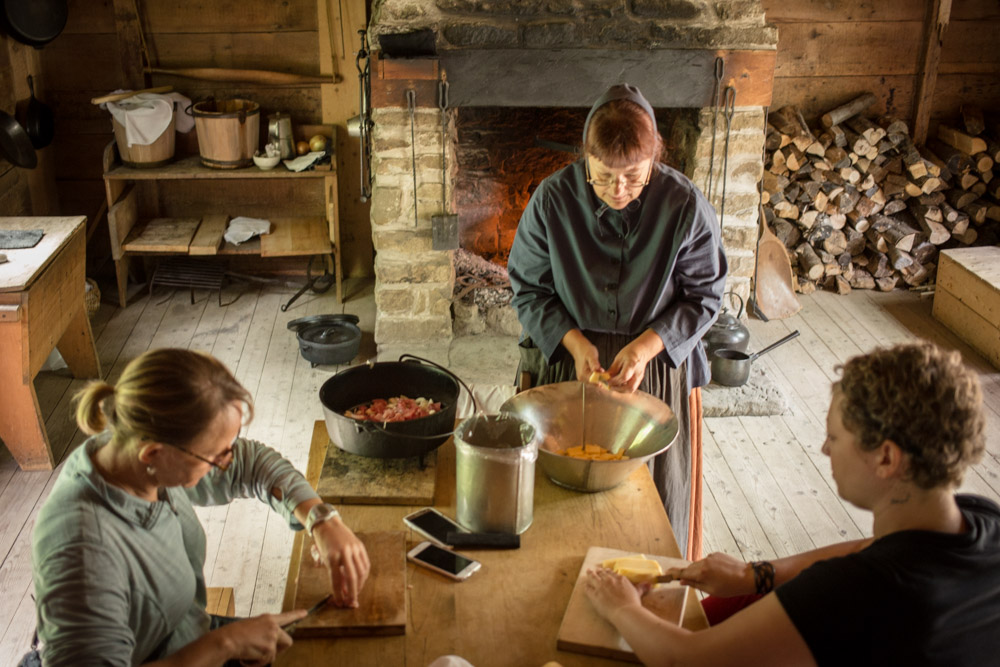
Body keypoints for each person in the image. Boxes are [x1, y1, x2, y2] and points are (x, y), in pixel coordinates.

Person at [583, 341, 1000, 666]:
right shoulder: (982, 518)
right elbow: (867, 549)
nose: (823, 448)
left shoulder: (858, 592)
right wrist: (756, 576)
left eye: (835, 437)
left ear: (887, 458)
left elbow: (684, 659)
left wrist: (620, 607)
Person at [30, 348, 371, 667]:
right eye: (217, 455)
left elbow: (251, 463)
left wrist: (321, 519)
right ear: (153, 454)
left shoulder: (128, 446)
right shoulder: (82, 554)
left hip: (189, 634)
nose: (228, 461)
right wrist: (225, 644)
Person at [507, 83, 727, 559]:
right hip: (568, 364)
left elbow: (706, 296)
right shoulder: (552, 201)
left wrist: (647, 346)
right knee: (561, 503)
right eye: (603, 176)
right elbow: (528, 289)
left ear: (655, 158)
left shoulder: (684, 205)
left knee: (649, 510)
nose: (618, 190)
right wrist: (575, 343)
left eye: (634, 176)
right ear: (585, 156)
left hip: (655, 371)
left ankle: (655, 590)